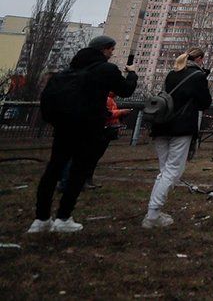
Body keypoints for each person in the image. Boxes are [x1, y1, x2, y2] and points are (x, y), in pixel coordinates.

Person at [30, 36, 137, 234]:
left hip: (63, 128)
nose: (112, 54)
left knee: (53, 170)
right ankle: (63, 217)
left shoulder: (66, 72)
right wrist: (132, 74)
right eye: (111, 50)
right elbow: (126, 90)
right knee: (78, 172)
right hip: (89, 128)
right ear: (104, 50)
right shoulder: (105, 70)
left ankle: (41, 218)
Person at [142, 48, 212, 228]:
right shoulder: (197, 76)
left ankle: (153, 212)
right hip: (181, 127)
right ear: (200, 59)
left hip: (161, 124)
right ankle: (152, 213)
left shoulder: (172, 74)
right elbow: (205, 103)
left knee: (165, 170)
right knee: (173, 171)